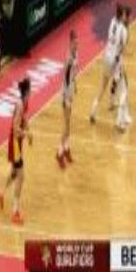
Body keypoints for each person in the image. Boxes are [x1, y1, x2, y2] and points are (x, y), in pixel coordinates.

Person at [0, 78, 32, 225]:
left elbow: (24, 117)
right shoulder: (20, 104)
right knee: (21, 176)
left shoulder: (24, 102)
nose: (31, 91)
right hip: (15, 143)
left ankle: (1, 194)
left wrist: (27, 126)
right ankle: (15, 213)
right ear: (27, 91)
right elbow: (16, 128)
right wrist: (27, 134)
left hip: (18, 142)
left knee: (13, 172)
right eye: (30, 89)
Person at [90, 4, 125, 123]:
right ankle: (113, 102)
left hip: (106, 55)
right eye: (123, 14)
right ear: (122, 15)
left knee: (103, 85)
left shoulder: (112, 21)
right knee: (118, 79)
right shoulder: (122, 29)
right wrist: (119, 56)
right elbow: (121, 47)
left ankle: (94, 108)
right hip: (114, 58)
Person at [57, 30, 78, 169]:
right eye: (75, 42)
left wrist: (75, 84)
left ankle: (67, 148)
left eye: (77, 42)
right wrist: (65, 97)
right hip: (66, 93)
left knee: (69, 123)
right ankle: (59, 152)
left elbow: (73, 74)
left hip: (70, 91)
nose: (77, 44)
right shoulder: (69, 58)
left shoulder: (76, 54)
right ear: (70, 43)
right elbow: (64, 77)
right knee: (66, 124)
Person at [116, 7, 132, 131]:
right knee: (124, 90)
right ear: (124, 17)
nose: (130, 18)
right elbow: (122, 48)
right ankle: (119, 121)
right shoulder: (124, 30)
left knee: (125, 88)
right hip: (118, 62)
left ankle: (125, 116)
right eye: (128, 16)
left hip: (117, 61)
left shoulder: (119, 27)